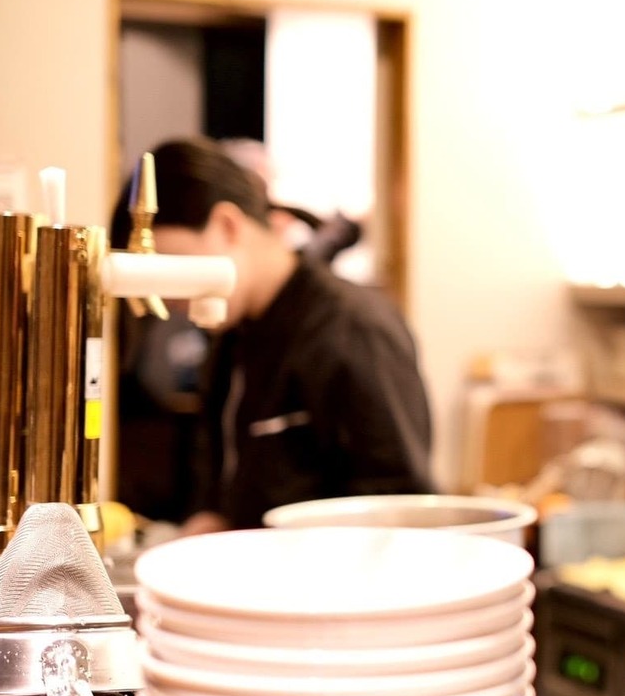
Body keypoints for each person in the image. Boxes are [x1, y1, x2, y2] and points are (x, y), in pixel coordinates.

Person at [110, 136, 436, 536]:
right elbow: (225, 470)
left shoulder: (351, 327)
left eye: (172, 266)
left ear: (228, 225)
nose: (167, 296)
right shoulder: (234, 331)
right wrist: (208, 519)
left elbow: (399, 500)